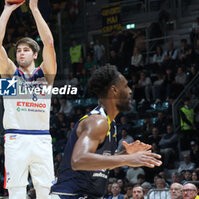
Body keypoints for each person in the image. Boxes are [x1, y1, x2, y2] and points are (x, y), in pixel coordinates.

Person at [50, 64, 162, 198]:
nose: (130, 91)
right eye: (125, 86)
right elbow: (79, 160)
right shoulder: (97, 121)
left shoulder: (111, 124)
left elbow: (99, 163)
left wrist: (124, 156)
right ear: (114, 90)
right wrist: (128, 158)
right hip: (70, 195)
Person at [0, 0, 57, 199]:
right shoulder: (10, 74)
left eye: (26, 50)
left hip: (42, 139)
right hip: (16, 138)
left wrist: (34, 9)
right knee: (16, 194)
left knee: (46, 193)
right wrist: (8, 10)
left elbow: (49, 42)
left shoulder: (45, 75)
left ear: (34, 54)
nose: (21, 53)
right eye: (18, 50)